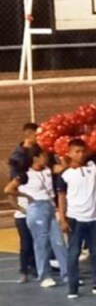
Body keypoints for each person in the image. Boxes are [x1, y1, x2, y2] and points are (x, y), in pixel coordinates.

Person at [4, 146, 67, 288]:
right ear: (35, 158)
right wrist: (25, 197)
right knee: (41, 242)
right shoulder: (25, 174)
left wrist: (61, 154)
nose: (46, 159)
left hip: (50, 206)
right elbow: (8, 189)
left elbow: (64, 169)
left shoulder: (48, 170)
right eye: (44, 156)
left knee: (59, 242)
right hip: (36, 207)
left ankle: (67, 274)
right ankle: (45, 275)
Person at [58, 138, 96, 299]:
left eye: (83, 151)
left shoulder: (93, 167)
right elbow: (61, 197)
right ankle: (73, 287)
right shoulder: (65, 175)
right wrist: (62, 218)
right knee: (73, 253)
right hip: (75, 218)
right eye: (76, 151)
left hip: (95, 218)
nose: (80, 154)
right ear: (69, 153)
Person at [9, 122, 39, 283]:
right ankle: (24, 270)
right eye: (36, 134)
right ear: (29, 134)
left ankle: (37, 266)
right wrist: (22, 207)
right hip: (24, 209)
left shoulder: (39, 153)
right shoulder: (17, 157)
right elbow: (11, 186)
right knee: (26, 241)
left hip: (38, 207)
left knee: (39, 240)